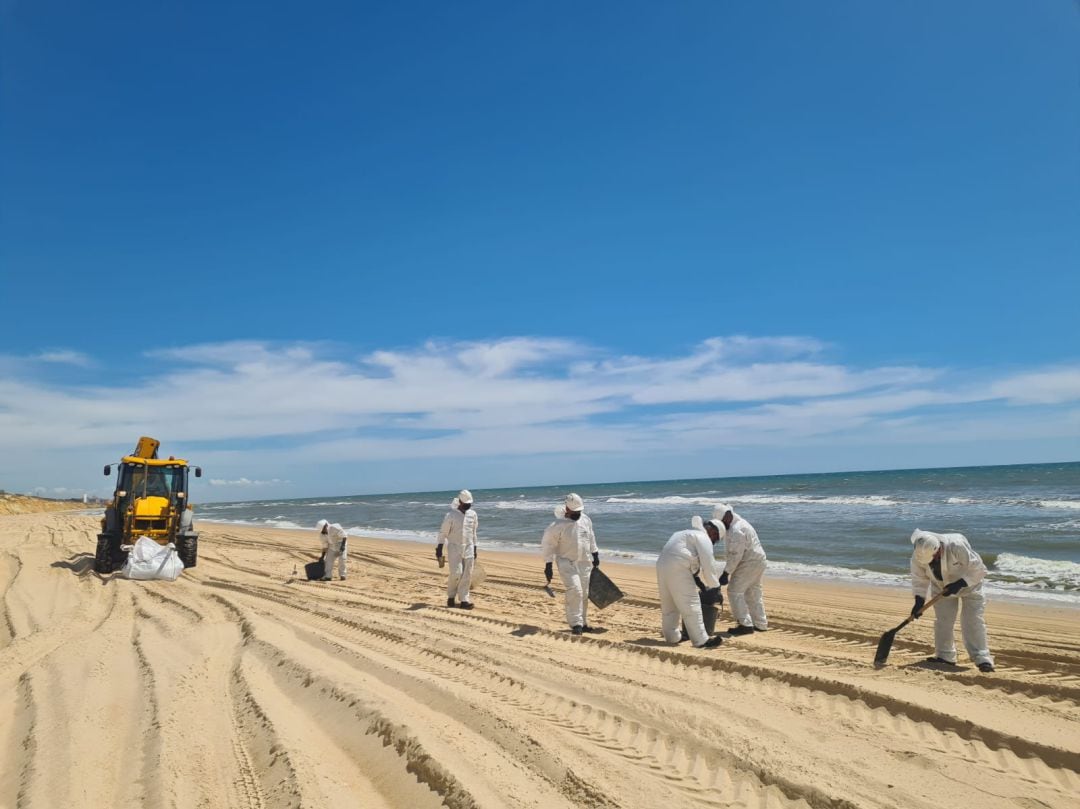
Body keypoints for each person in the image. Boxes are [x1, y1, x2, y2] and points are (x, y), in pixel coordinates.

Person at [909, 529, 995, 672]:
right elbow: (919, 579)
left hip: (970, 585)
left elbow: (979, 569)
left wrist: (960, 584)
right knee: (943, 620)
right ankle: (945, 656)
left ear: (939, 549)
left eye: (935, 557)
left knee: (972, 620)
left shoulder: (956, 545)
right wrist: (919, 601)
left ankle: (982, 658)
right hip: (941, 587)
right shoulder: (918, 556)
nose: (934, 561)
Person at [657, 516, 725, 648]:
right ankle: (701, 640)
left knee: (669, 605)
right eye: (715, 540)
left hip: (661, 566)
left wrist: (701, 585)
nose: (713, 543)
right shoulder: (703, 538)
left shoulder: (682, 534)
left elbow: (690, 562)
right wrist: (715, 587)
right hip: (679, 568)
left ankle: (672, 637)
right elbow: (708, 564)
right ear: (713, 533)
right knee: (691, 604)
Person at [541, 493, 600, 635]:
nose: (577, 514)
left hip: (585, 562)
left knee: (584, 593)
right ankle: (576, 624)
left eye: (579, 511)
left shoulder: (586, 520)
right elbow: (548, 545)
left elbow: (591, 537)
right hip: (566, 562)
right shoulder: (557, 525)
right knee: (576, 591)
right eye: (574, 511)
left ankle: (583, 622)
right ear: (567, 509)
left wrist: (595, 553)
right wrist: (548, 564)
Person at [713, 503, 768, 635]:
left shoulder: (737, 530)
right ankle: (760, 624)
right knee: (753, 593)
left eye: (721, 521)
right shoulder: (740, 523)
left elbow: (735, 555)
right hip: (759, 560)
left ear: (727, 516)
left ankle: (745, 624)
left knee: (734, 591)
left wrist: (726, 573)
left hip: (749, 562)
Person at [436, 489, 478, 609]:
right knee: (456, 573)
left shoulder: (473, 514)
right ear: (460, 502)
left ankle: (464, 600)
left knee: (467, 574)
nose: (468, 506)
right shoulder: (451, 515)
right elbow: (443, 533)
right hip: (454, 547)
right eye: (465, 504)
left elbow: (474, 533)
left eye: (469, 504)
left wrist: (475, 548)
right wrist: (439, 548)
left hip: (469, 547)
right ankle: (451, 596)